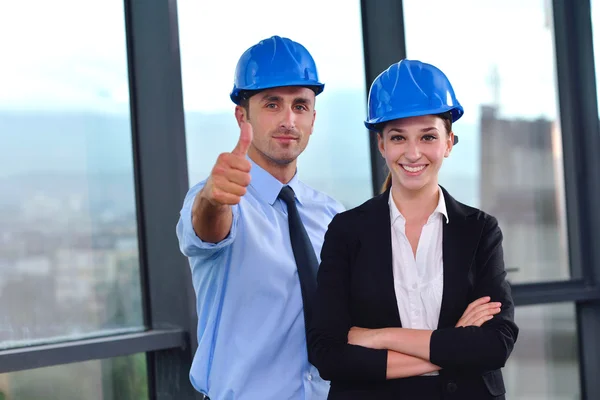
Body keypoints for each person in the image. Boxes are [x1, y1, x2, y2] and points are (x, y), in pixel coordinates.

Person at [307, 59, 519, 399]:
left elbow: (495, 344)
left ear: (449, 142)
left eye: (428, 136)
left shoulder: (478, 231)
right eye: (398, 137)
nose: (413, 152)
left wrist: (379, 337)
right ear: (382, 145)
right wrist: (451, 344)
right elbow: (328, 354)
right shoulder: (347, 231)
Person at [176, 35, 345, 400]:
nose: (288, 120)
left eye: (300, 106)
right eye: (272, 104)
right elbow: (208, 226)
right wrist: (213, 197)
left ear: (313, 119)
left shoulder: (333, 217)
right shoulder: (226, 201)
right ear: (243, 115)